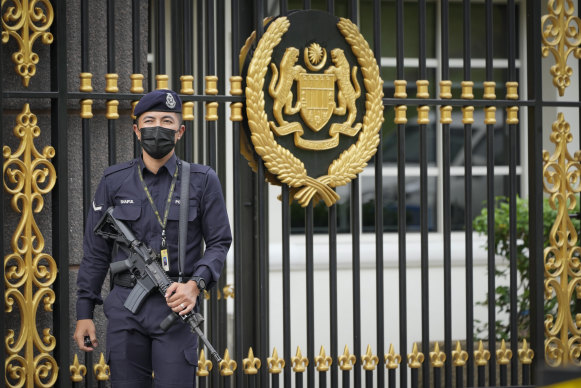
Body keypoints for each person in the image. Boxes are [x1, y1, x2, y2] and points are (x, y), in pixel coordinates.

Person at [73, 89, 232, 387]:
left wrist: (195, 286)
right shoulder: (114, 180)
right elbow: (95, 253)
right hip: (125, 309)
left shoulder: (202, 180)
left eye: (167, 121)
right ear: (136, 129)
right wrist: (84, 313)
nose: (158, 127)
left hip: (176, 305)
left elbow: (220, 242)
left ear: (180, 131)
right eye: (150, 120)